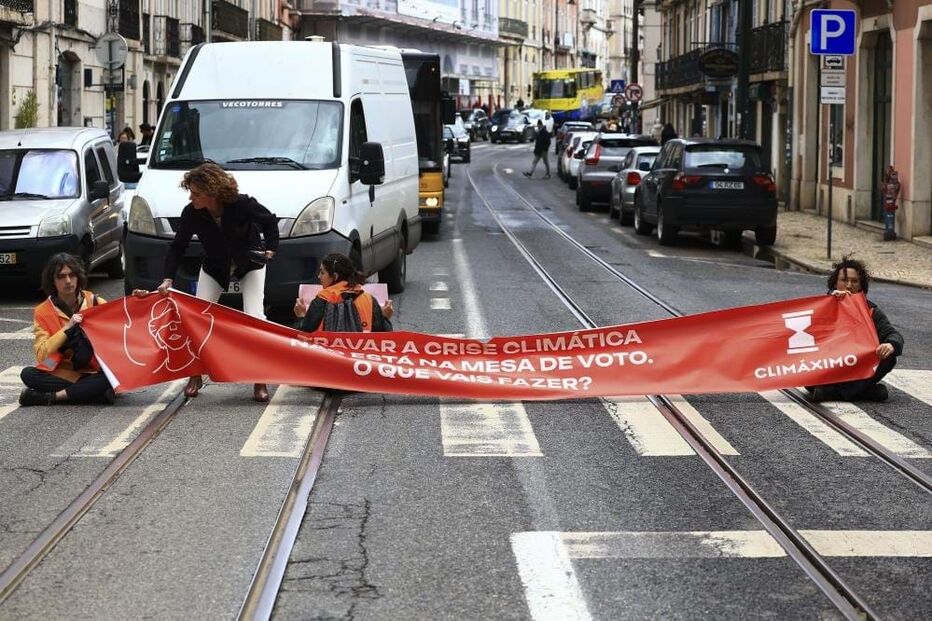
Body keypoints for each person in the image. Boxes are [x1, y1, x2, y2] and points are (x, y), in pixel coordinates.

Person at [137, 162, 279, 402]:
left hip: (249, 263)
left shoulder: (242, 204)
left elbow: (270, 221)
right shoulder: (192, 212)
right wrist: (168, 278)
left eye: (195, 193)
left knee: (255, 318)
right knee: (197, 318)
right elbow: (178, 246)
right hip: (215, 266)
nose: (190, 197)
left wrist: (271, 250)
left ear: (211, 193)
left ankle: (260, 379)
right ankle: (195, 374)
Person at [19, 253, 114, 406]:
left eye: (72, 275)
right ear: (52, 281)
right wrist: (67, 328)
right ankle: (94, 394)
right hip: (64, 373)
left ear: (78, 277)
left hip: (95, 371)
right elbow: (42, 355)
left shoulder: (96, 302)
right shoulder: (42, 311)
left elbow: (122, 329)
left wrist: (138, 299)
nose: (68, 281)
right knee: (28, 374)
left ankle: (53, 397)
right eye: (61, 276)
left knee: (110, 377)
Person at [807, 256, 904, 402]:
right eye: (844, 280)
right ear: (835, 283)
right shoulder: (822, 306)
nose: (849, 285)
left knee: (889, 357)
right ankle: (865, 392)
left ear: (861, 285)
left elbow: (893, 334)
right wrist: (833, 303)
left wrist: (891, 344)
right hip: (828, 366)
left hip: (855, 366)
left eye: (854, 281)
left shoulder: (870, 310)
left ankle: (835, 393)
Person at [294, 253, 393, 333]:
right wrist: (384, 318)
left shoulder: (321, 301)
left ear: (335, 276)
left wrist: (301, 316)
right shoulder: (369, 300)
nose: (319, 276)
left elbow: (302, 335)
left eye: (322, 272)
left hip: (326, 352)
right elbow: (383, 339)